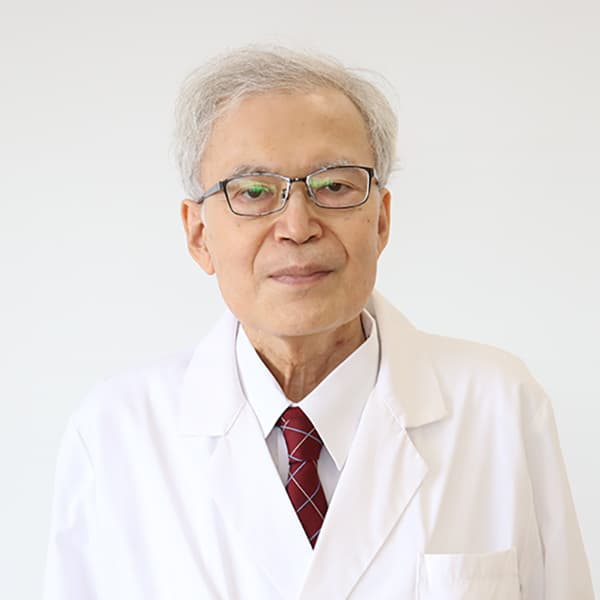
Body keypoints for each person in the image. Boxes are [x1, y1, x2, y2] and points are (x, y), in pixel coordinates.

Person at [43, 46, 594, 600]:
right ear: (199, 235)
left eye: (334, 186)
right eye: (254, 192)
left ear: (381, 220)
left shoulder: (499, 405)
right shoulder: (115, 434)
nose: (297, 226)